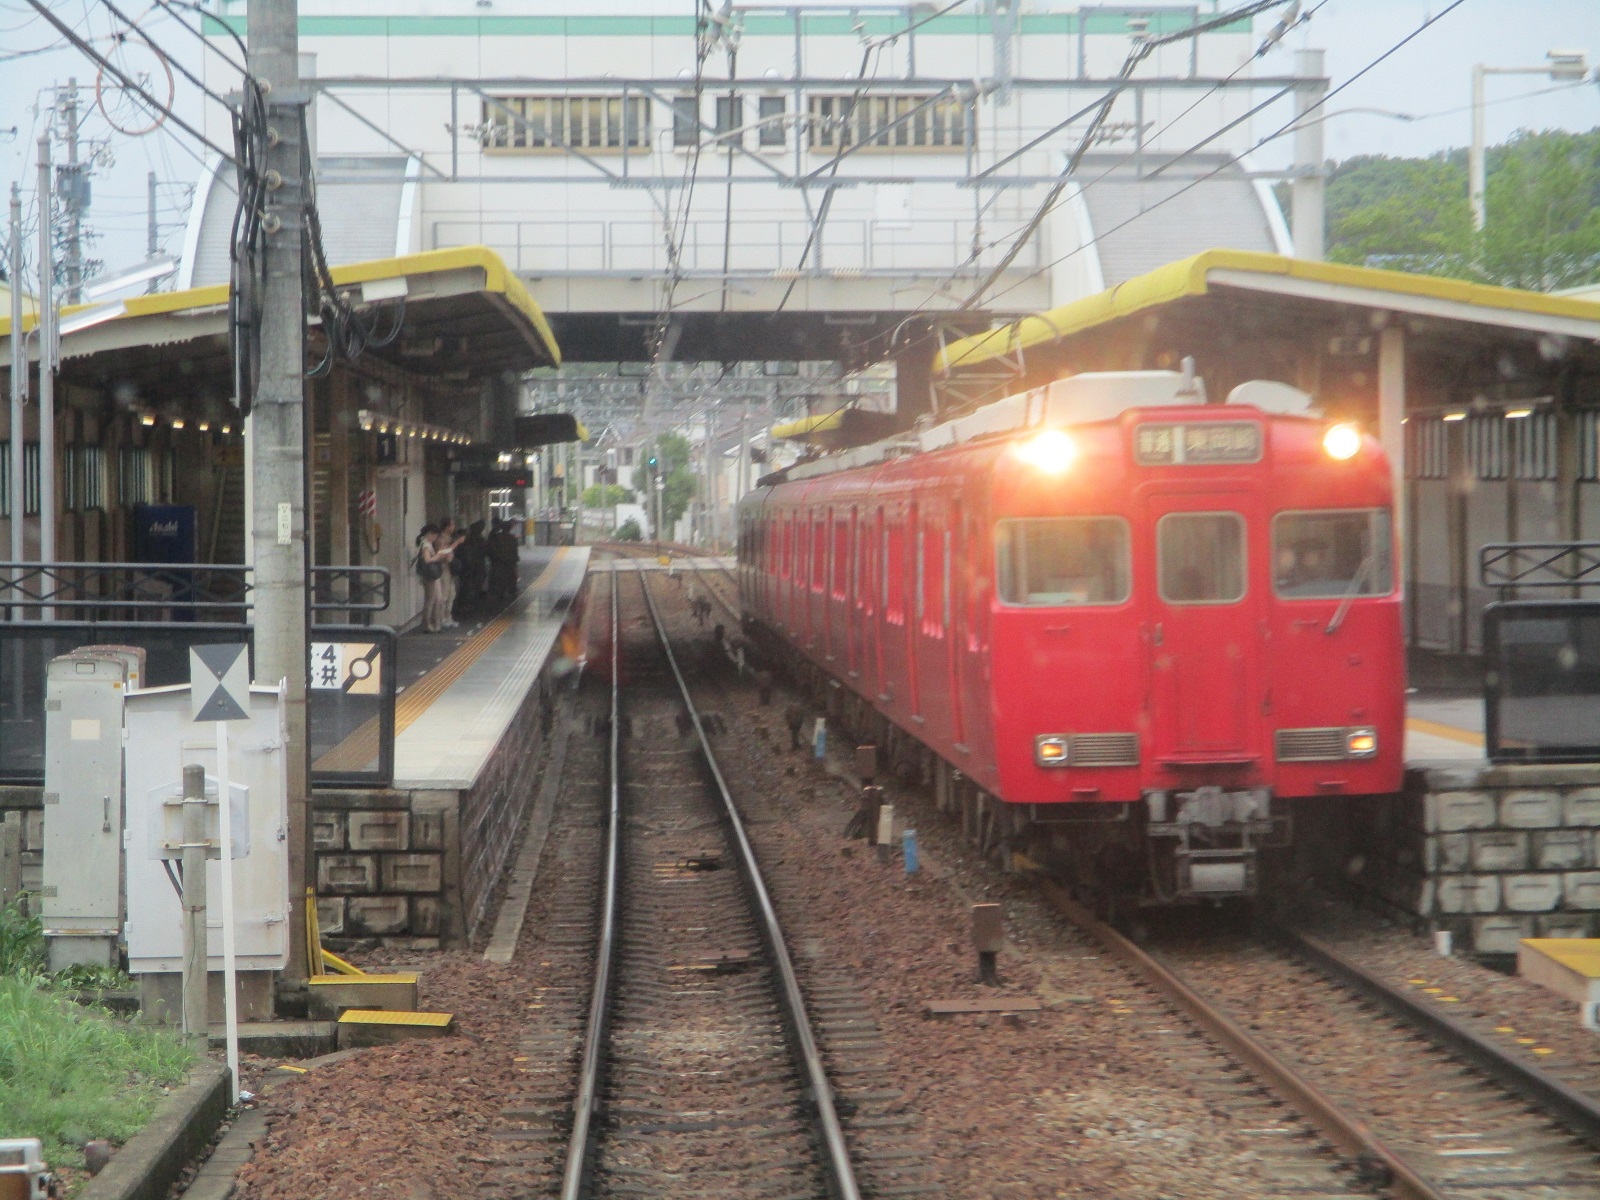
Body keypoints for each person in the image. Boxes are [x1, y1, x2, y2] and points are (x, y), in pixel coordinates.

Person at [415, 524, 452, 633]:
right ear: (430, 534)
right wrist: (437, 556)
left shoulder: (425, 543)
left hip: (429, 575)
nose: (435, 538)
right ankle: (428, 624)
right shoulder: (426, 544)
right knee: (430, 599)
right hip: (429, 575)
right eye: (435, 536)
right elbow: (427, 560)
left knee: (434, 599)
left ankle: (432, 623)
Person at [454, 520, 489, 622]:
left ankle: (463, 604)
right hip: (477, 566)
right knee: (475, 585)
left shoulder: (466, 539)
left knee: (465, 585)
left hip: (466, 567)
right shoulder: (481, 540)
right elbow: (486, 551)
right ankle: (471, 604)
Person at [436, 517, 465, 628]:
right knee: (444, 594)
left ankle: (448, 617)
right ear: (446, 527)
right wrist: (457, 543)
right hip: (444, 568)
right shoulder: (440, 539)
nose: (453, 527)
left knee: (451, 593)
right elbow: (443, 552)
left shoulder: (450, 538)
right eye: (452, 525)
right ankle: (441, 618)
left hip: (451, 567)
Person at [487, 519, 520, 605]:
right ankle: (509, 596)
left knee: (498, 582)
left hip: (498, 563)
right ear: (510, 528)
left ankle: (498, 598)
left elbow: (491, 550)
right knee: (510, 580)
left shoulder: (496, 537)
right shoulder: (513, 539)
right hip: (509, 564)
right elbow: (515, 553)